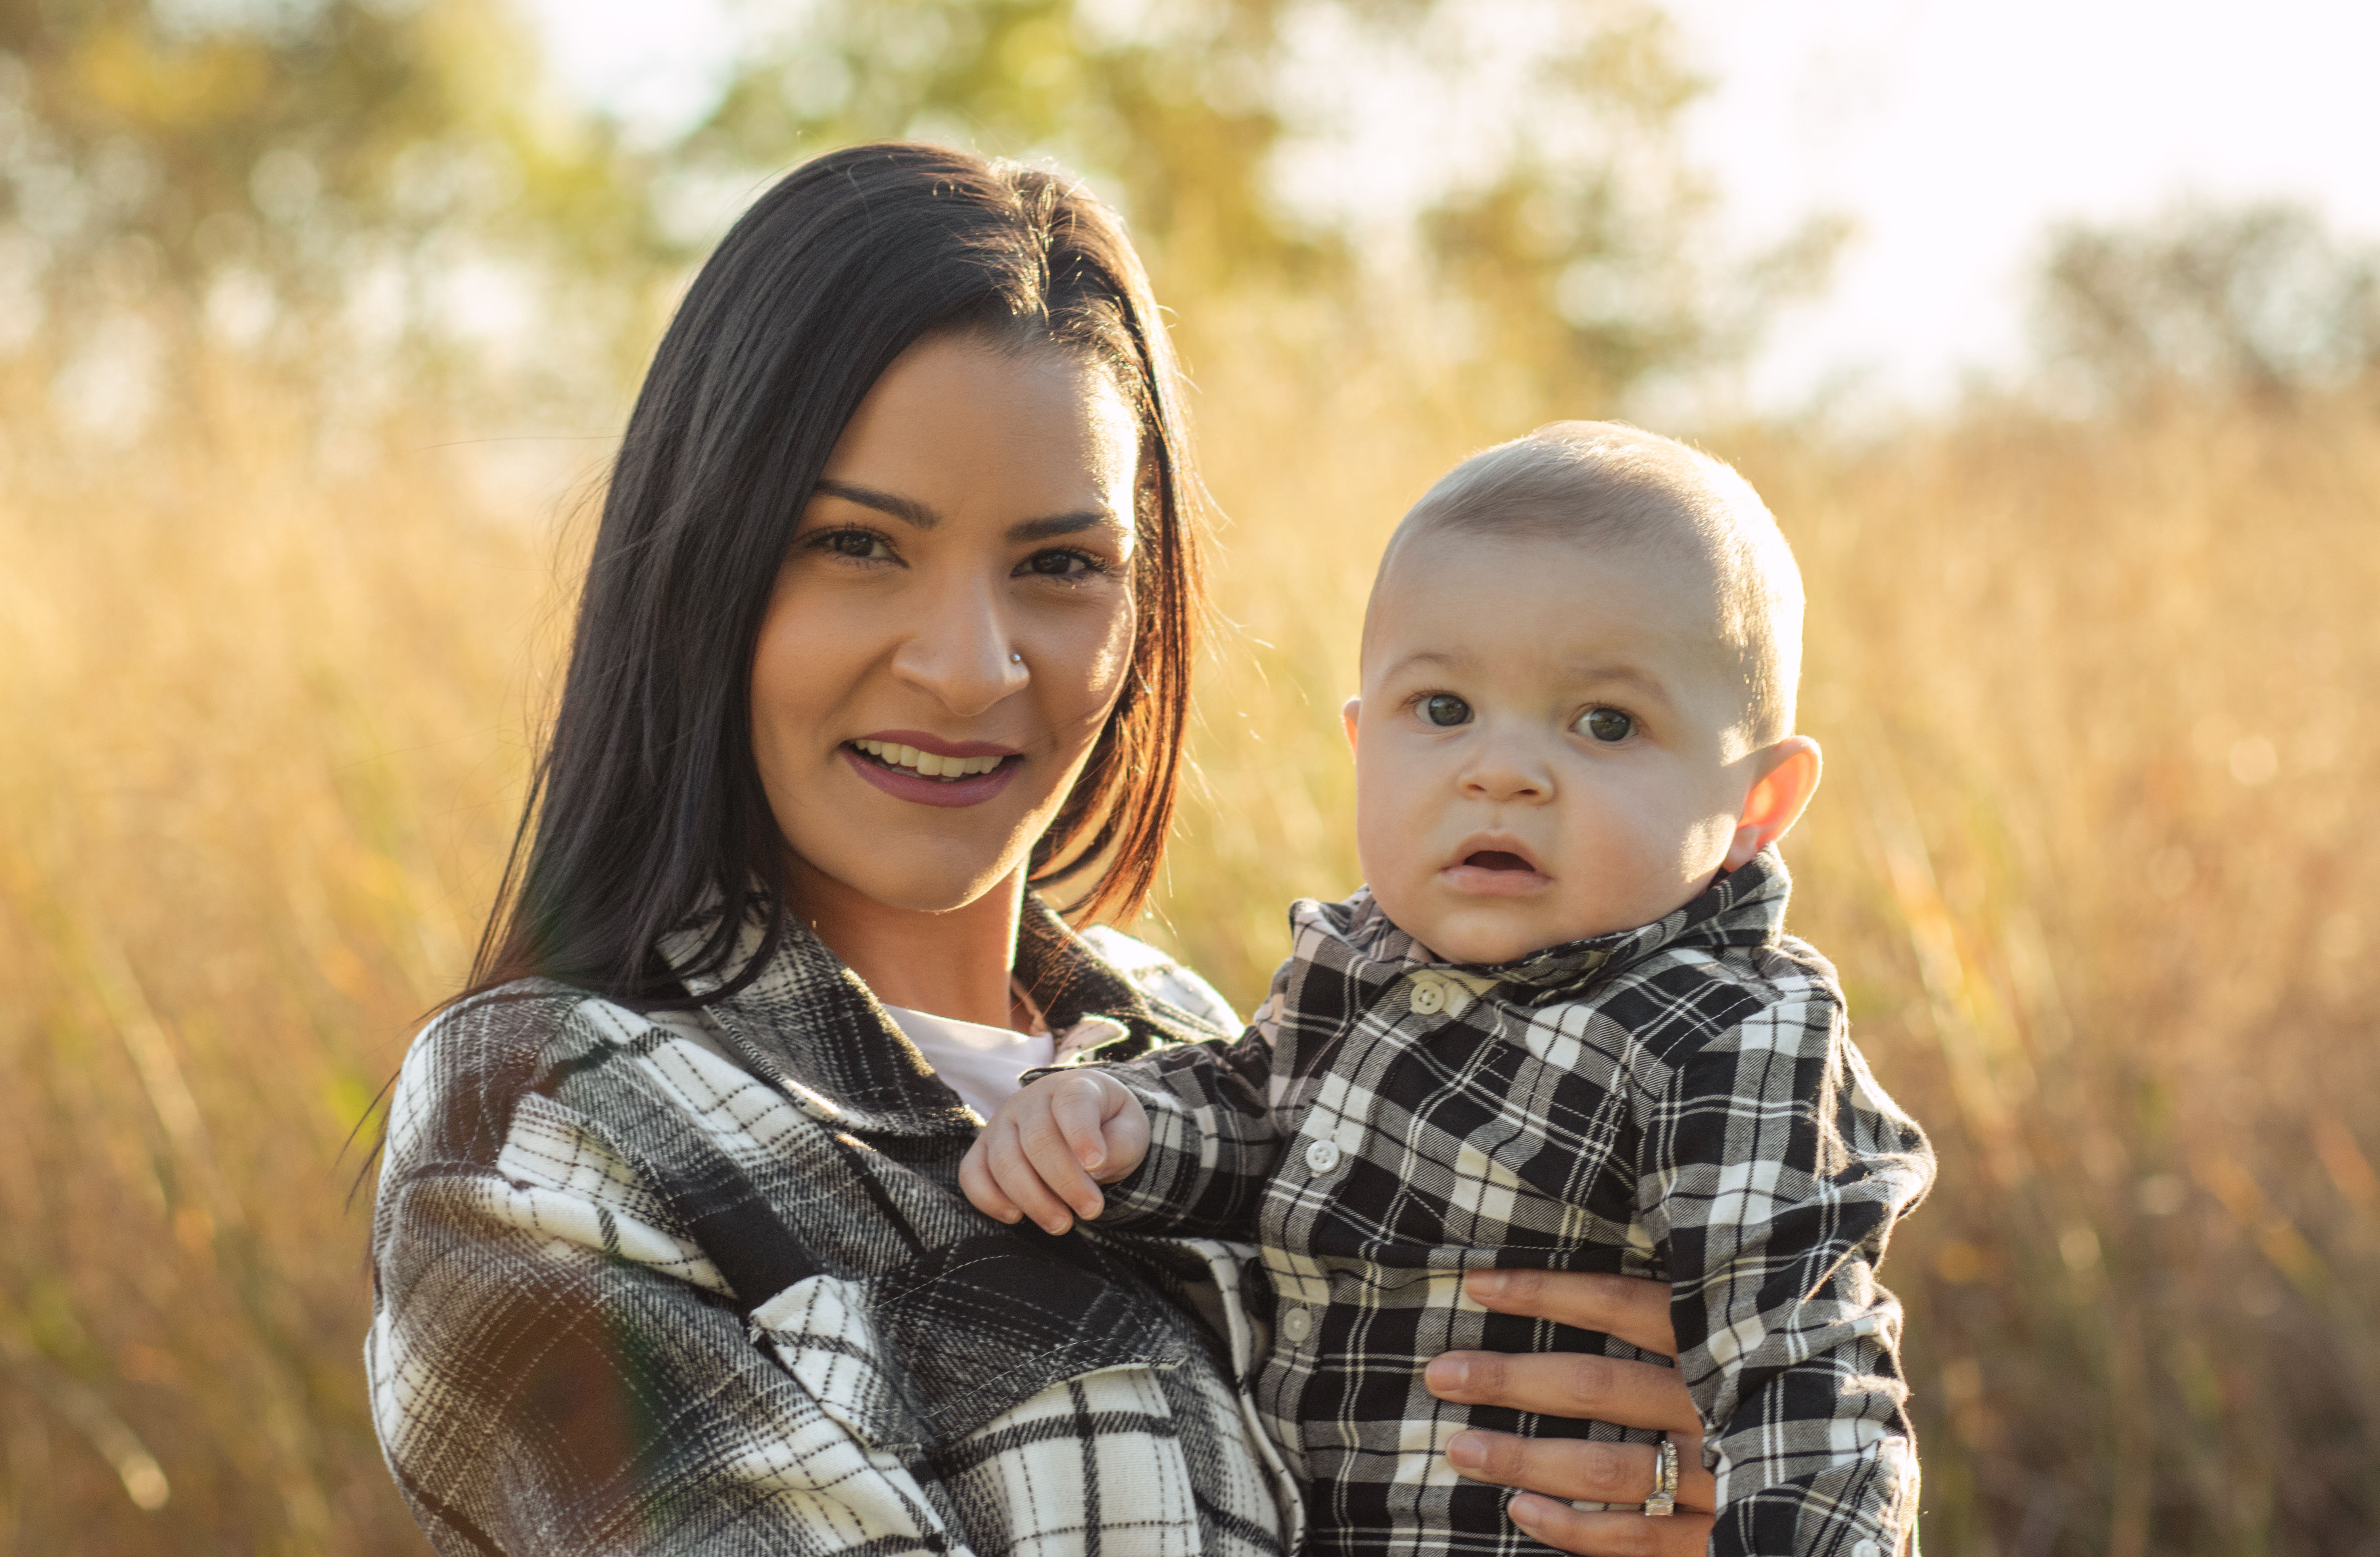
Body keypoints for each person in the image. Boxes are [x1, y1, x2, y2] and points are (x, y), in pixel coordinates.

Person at [366, 146, 1723, 1556]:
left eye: (1061, 565)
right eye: (857, 545)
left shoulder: (1217, 1052)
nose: (968, 668)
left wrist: (1692, 1499)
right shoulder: (545, 1123)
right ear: (702, 566)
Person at [963, 423, 1937, 1555]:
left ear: (1758, 807)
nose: (1502, 770)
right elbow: (1257, 1131)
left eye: (1605, 723)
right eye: (1442, 710)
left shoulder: (1720, 1034)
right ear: (1363, 742)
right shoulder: (1359, 969)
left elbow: (1799, 1381)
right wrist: (1121, 1130)